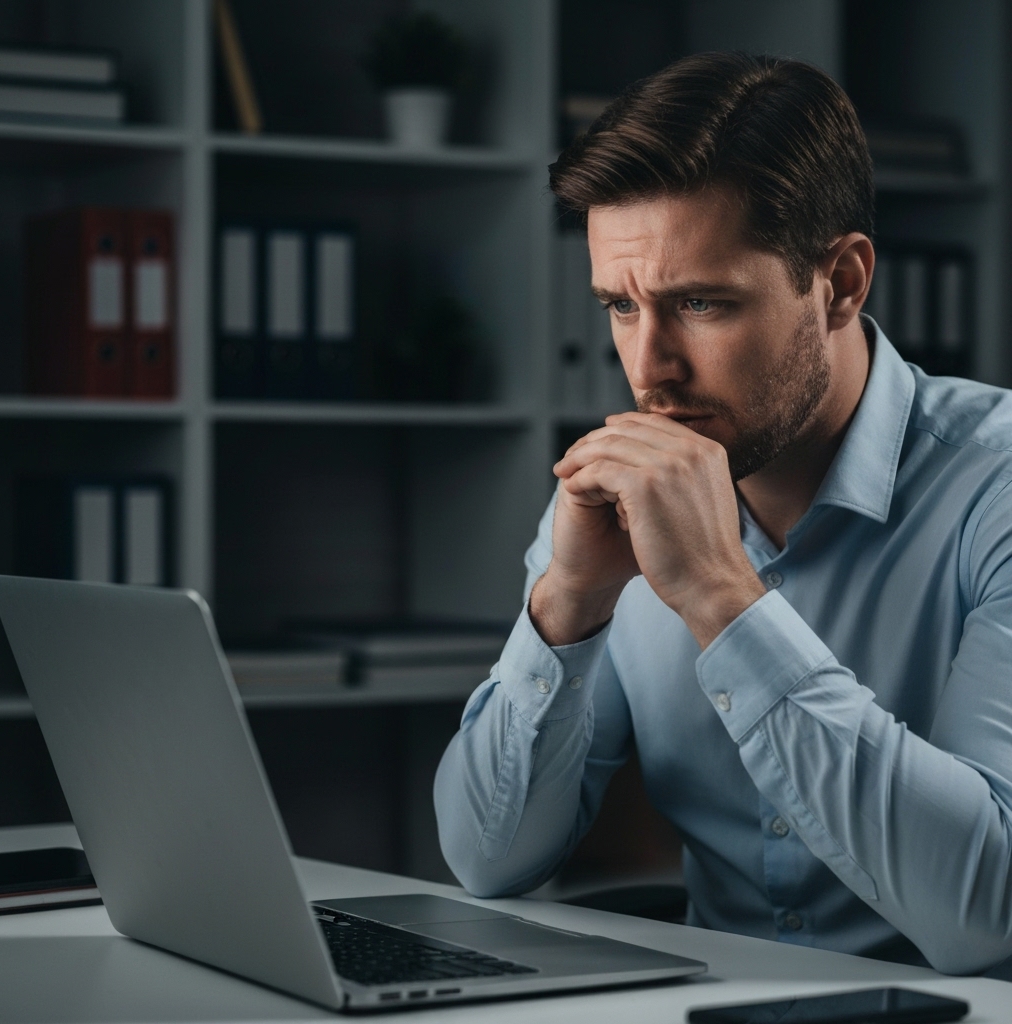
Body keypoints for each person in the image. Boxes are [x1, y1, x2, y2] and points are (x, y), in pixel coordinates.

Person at [433, 51, 1012, 975]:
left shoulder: (998, 489)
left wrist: (721, 596)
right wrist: (569, 602)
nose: (648, 366)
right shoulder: (607, 506)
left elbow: (987, 914)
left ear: (842, 283)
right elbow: (489, 858)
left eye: (700, 302)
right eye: (620, 306)